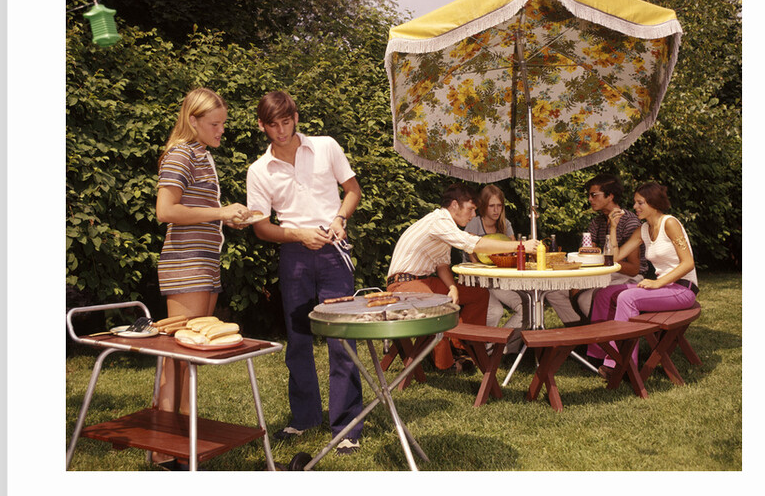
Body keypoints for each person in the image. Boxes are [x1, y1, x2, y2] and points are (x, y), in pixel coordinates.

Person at [246, 90, 363, 454]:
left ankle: (347, 428)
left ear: (296, 116)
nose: (280, 131)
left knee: (341, 338)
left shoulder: (326, 146)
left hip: (332, 249)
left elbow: (353, 191)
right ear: (261, 125)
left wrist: (340, 218)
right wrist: (298, 234)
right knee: (298, 340)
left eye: (286, 121)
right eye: (272, 125)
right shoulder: (259, 170)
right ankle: (305, 417)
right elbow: (261, 227)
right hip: (293, 253)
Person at [155, 87, 252, 469]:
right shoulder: (181, 154)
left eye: (223, 123)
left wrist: (226, 216)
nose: (221, 129)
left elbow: (198, 210)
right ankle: (164, 452)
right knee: (175, 355)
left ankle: (182, 445)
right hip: (187, 263)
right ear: (192, 120)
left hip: (204, 261)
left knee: (191, 353)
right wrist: (220, 211)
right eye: (215, 123)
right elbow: (167, 210)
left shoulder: (200, 155)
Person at [387, 182, 538, 371]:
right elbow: (473, 244)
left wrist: (452, 287)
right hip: (403, 284)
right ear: (454, 205)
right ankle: (444, 364)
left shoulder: (446, 226)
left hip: (424, 280)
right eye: (471, 209)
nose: (473, 215)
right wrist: (519, 246)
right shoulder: (439, 222)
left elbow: (442, 265)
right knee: (438, 306)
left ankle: (467, 349)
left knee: (478, 295)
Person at [587, 181, 698, 379]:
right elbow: (616, 256)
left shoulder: (669, 223)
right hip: (665, 289)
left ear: (654, 203)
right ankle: (600, 354)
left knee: (628, 298)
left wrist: (657, 283)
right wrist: (613, 228)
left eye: (640, 203)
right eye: (635, 203)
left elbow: (688, 263)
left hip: (683, 289)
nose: (635, 207)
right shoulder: (644, 229)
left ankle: (622, 364)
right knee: (604, 294)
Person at [544, 173, 647, 327]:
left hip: (628, 277)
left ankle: (605, 340)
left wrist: (602, 261)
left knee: (584, 299)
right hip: (603, 274)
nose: (589, 199)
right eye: (589, 195)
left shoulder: (629, 223)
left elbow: (633, 269)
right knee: (554, 292)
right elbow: (587, 254)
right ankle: (581, 334)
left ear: (610, 196)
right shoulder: (597, 222)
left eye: (594, 195)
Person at [462, 184, 526, 353]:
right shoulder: (474, 224)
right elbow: (473, 259)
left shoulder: (505, 224)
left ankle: (500, 348)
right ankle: (487, 348)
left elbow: (513, 251)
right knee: (496, 311)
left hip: (500, 278)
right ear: (483, 205)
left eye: (499, 205)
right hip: (479, 280)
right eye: (492, 206)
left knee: (527, 307)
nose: (496, 210)